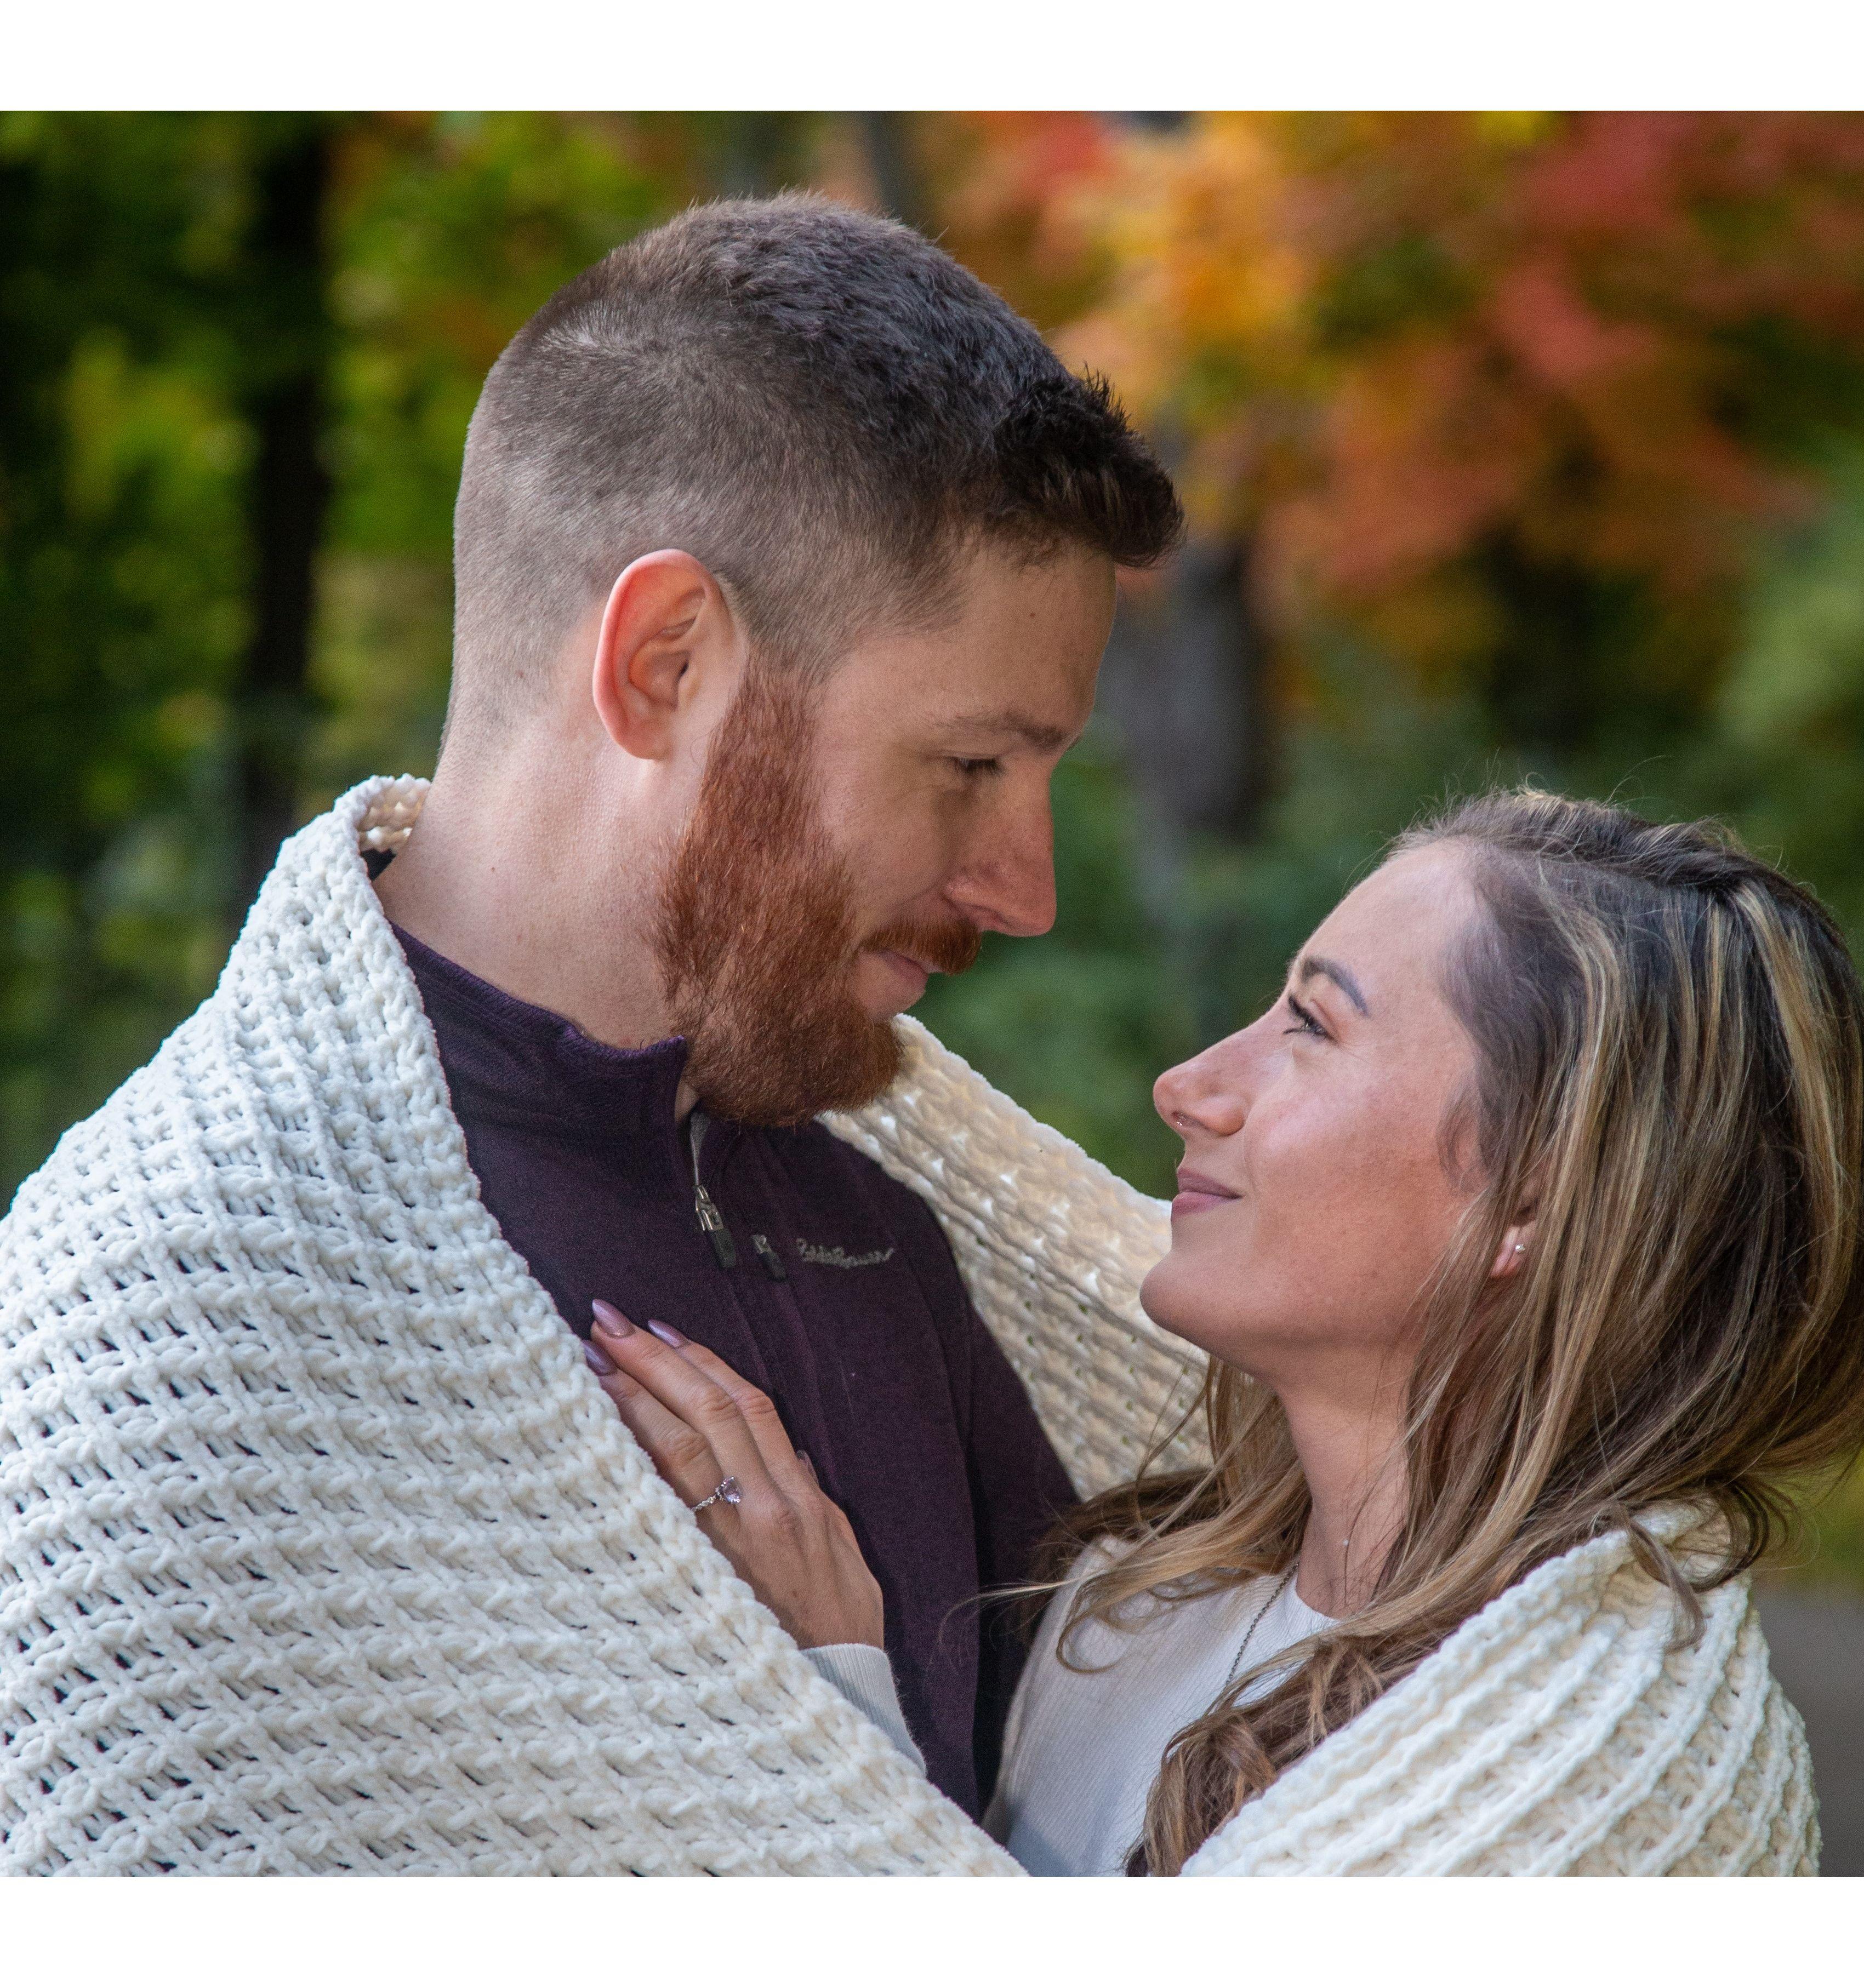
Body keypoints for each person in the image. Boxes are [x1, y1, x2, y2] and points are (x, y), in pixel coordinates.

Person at [0, 194, 1185, 1875]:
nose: (1025, 886)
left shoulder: (883, 1226)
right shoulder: (164, 1330)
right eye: (969, 765)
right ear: (665, 662)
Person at [598, 789, 1864, 1874]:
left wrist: (830, 1707)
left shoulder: (1605, 1772)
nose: (1188, 1085)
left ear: (1534, 1191)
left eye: (1310, 1025)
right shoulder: (1133, 1601)